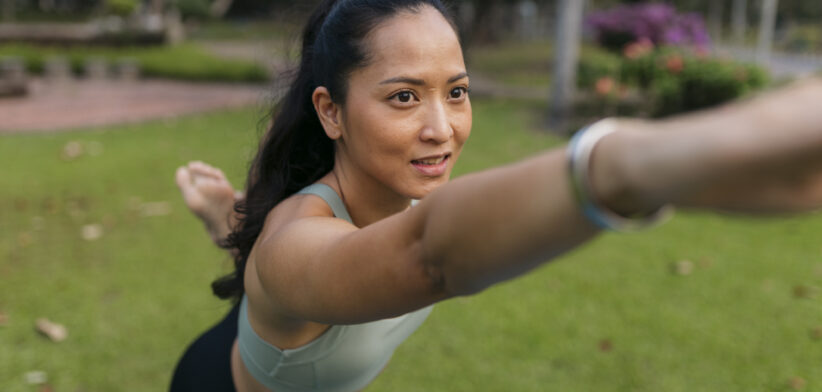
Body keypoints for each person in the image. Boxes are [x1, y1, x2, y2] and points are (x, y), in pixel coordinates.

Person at [170, 0, 822, 390]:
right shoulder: (291, 244)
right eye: (403, 96)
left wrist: (222, 212)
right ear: (331, 112)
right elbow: (428, 258)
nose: (442, 128)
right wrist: (630, 165)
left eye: (456, 91)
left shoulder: (399, 184)